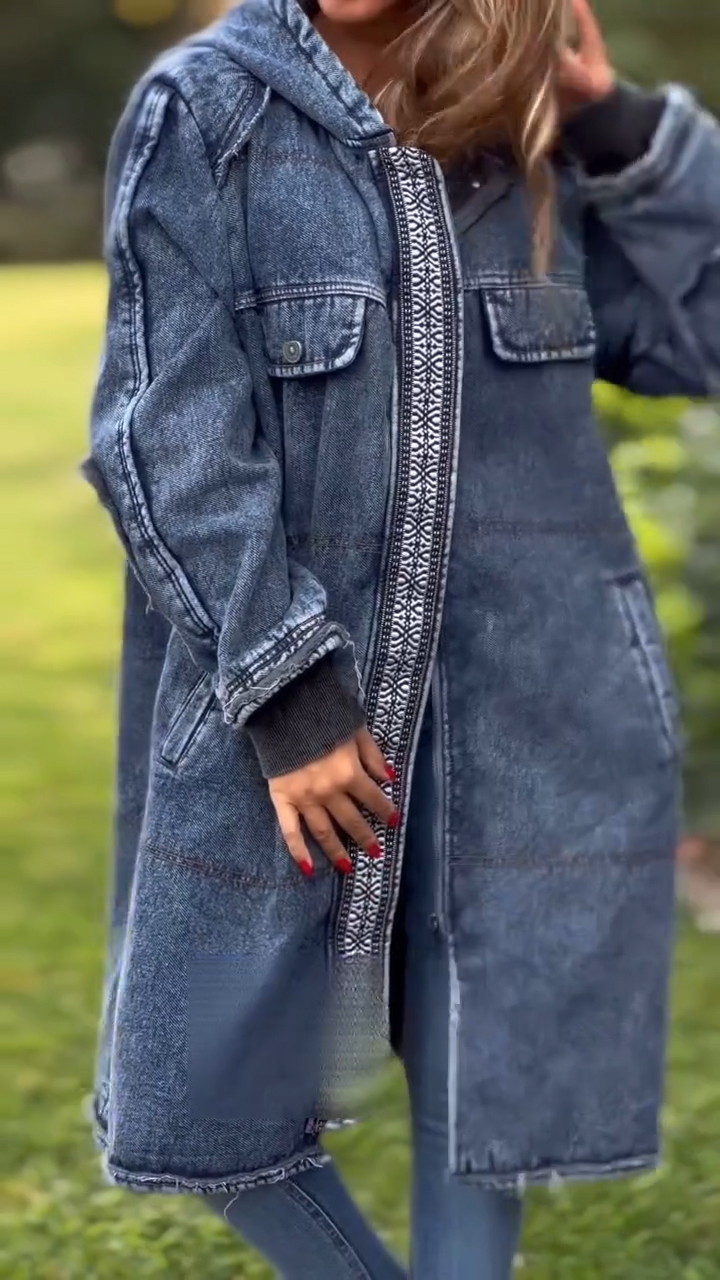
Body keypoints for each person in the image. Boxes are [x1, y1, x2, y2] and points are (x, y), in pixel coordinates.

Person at [83, 0, 720, 1274]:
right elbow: (165, 438)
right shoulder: (207, 111)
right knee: (196, 1083)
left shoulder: (525, 131)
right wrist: (288, 693)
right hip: (299, 721)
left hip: (531, 710)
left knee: (485, 1083)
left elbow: (692, 337)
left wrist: (620, 128)